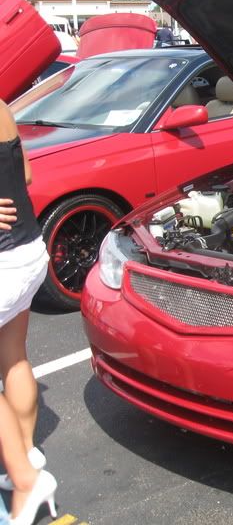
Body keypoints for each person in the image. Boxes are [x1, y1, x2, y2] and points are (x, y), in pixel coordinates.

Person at [0, 100, 57, 525]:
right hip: (28, 250)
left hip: (3, 261)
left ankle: (25, 478)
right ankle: (25, 453)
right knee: (13, 357)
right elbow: (27, 174)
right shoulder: (2, 106)